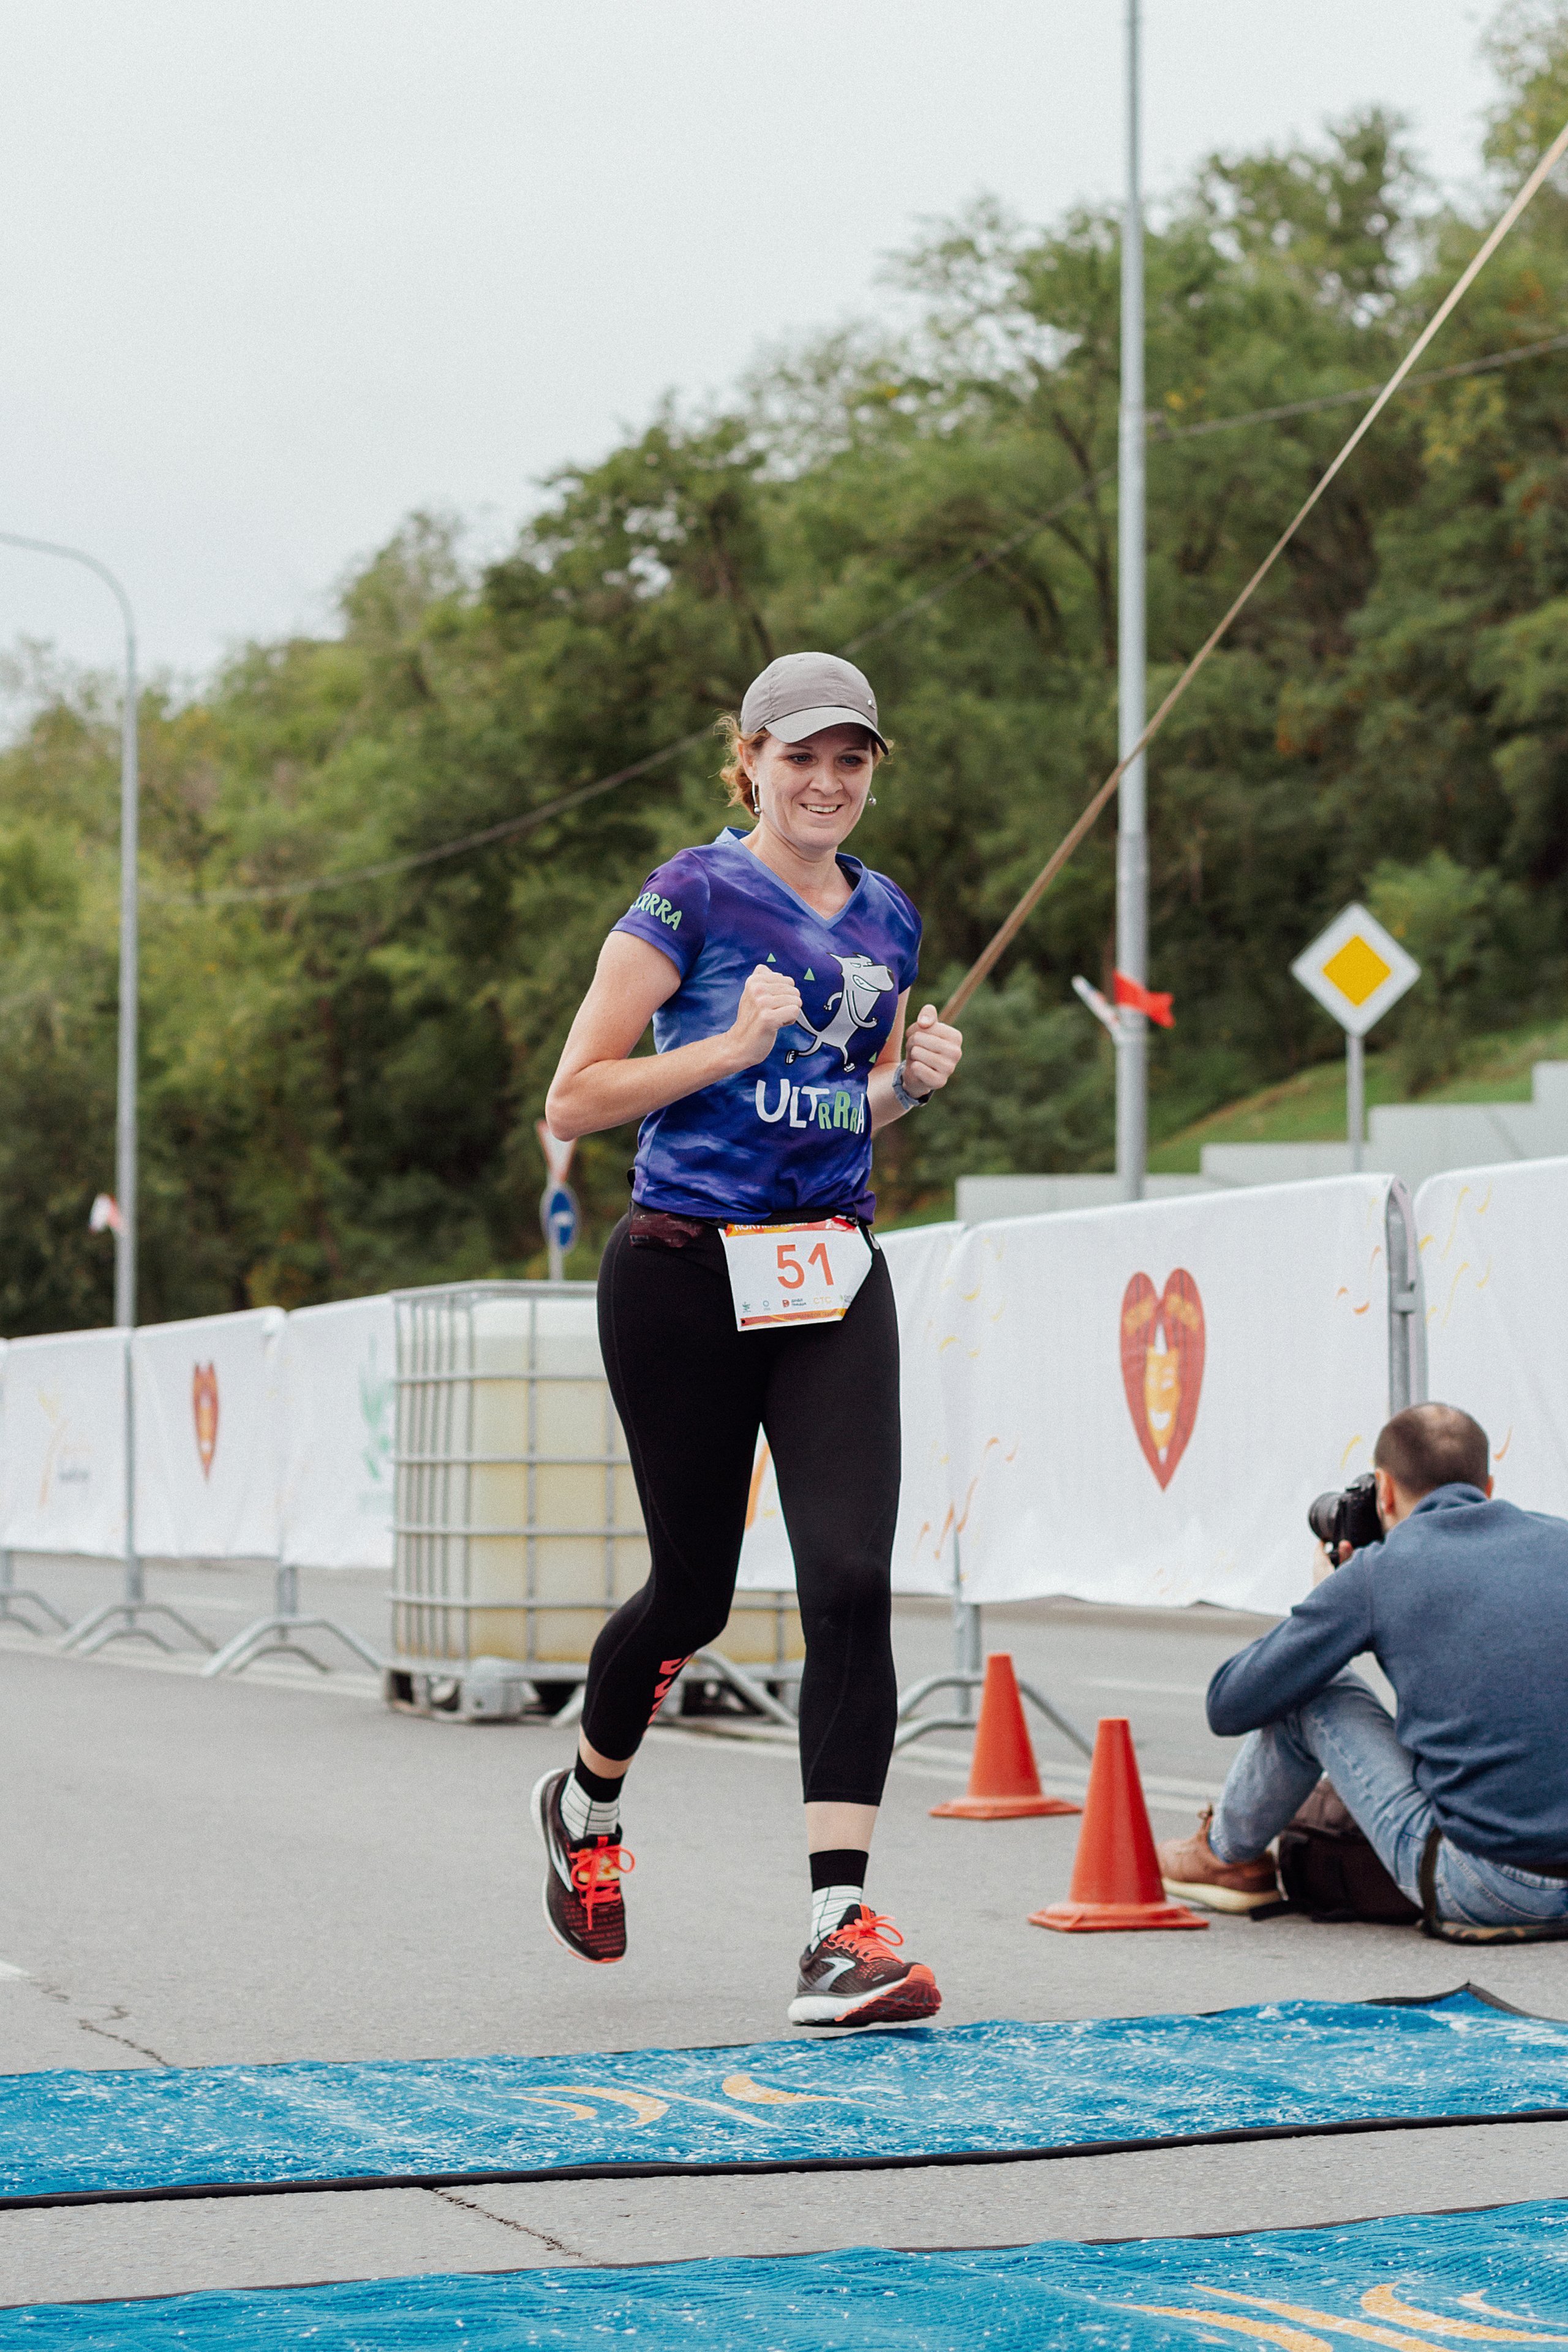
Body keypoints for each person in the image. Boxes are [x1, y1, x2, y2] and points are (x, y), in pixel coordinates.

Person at [531, 650, 964, 2024]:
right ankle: (586, 1803)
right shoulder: (692, 895)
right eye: (800, 758)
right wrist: (722, 1046)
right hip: (681, 1272)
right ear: (751, 763)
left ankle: (839, 1926)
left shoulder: (887, 915)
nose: (825, 782)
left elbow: (845, 1100)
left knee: (848, 1576)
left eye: (850, 760)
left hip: (829, 1270)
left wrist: (909, 1087)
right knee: (694, 1597)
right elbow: (576, 1097)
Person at [1157, 1402, 1568, 1934]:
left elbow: (1228, 1703)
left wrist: (1331, 1598)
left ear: (1384, 1490)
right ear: (1487, 1487)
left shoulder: (1380, 1572)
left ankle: (1223, 1857)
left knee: (1315, 1692)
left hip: (1488, 1888)